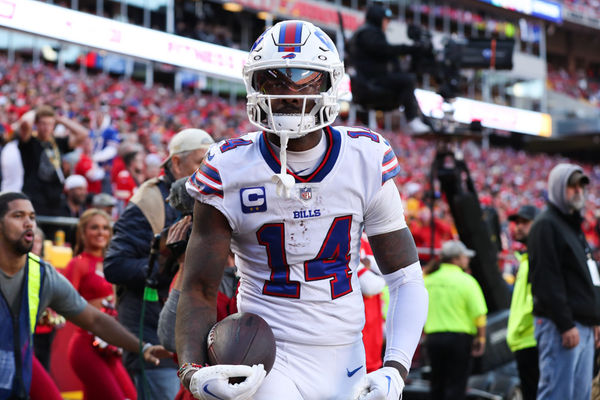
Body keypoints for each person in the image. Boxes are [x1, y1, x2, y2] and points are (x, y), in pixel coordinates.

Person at [175, 20, 428, 400]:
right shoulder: (227, 167)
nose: (289, 94)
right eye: (274, 80)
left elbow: (406, 278)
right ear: (255, 86)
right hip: (266, 354)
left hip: (348, 354)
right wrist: (191, 372)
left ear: (329, 84)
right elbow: (198, 286)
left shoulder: (365, 157)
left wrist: (395, 367)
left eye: (304, 80)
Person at [0, 192, 169, 400]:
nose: (28, 223)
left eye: (32, 217)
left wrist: (143, 347)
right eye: (18, 216)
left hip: (24, 357)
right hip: (77, 348)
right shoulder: (78, 263)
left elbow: (95, 319)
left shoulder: (43, 274)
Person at [104, 128, 214, 400]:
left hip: (189, 326)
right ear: (176, 163)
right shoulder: (148, 201)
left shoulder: (204, 197)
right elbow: (115, 265)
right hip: (151, 327)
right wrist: (166, 266)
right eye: (201, 162)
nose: (209, 170)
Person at [528, 163, 600, 400]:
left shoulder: (574, 226)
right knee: (558, 394)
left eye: (581, 185)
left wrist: (595, 319)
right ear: (558, 187)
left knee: (581, 395)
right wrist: (565, 323)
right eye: (572, 185)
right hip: (561, 327)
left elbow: (589, 278)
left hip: (584, 326)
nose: (578, 190)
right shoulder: (546, 224)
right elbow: (547, 281)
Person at [64, 208, 137, 400]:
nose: (100, 232)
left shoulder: (113, 263)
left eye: (105, 228)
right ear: (83, 232)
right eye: (94, 227)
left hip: (111, 345)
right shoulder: (77, 264)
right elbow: (64, 300)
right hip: (86, 345)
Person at [348, 3, 430, 134]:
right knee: (407, 80)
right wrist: (411, 49)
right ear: (378, 19)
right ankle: (412, 120)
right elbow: (384, 50)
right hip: (370, 81)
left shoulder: (370, 33)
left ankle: (419, 118)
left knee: (406, 80)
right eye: (386, 20)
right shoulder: (367, 33)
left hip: (373, 79)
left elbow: (389, 56)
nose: (387, 24)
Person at [424, 240, 487, 400]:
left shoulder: (428, 281)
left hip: (433, 339)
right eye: (465, 256)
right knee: (456, 385)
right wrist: (481, 338)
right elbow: (479, 314)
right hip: (459, 340)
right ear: (456, 259)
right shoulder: (467, 281)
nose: (467, 259)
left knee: (437, 384)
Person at [18, 105, 89, 216]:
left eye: (50, 124)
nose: (46, 127)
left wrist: (61, 120)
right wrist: (36, 111)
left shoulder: (57, 142)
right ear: (37, 124)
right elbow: (25, 123)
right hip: (34, 199)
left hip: (55, 200)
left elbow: (83, 134)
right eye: (43, 123)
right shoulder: (30, 142)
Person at [505, 204, 539, 400]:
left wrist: (518, 329)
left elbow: (537, 301)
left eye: (524, 222)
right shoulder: (527, 258)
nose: (518, 227)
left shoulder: (537, 256)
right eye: (517, 223)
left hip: (532, 339)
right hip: (526, 340)